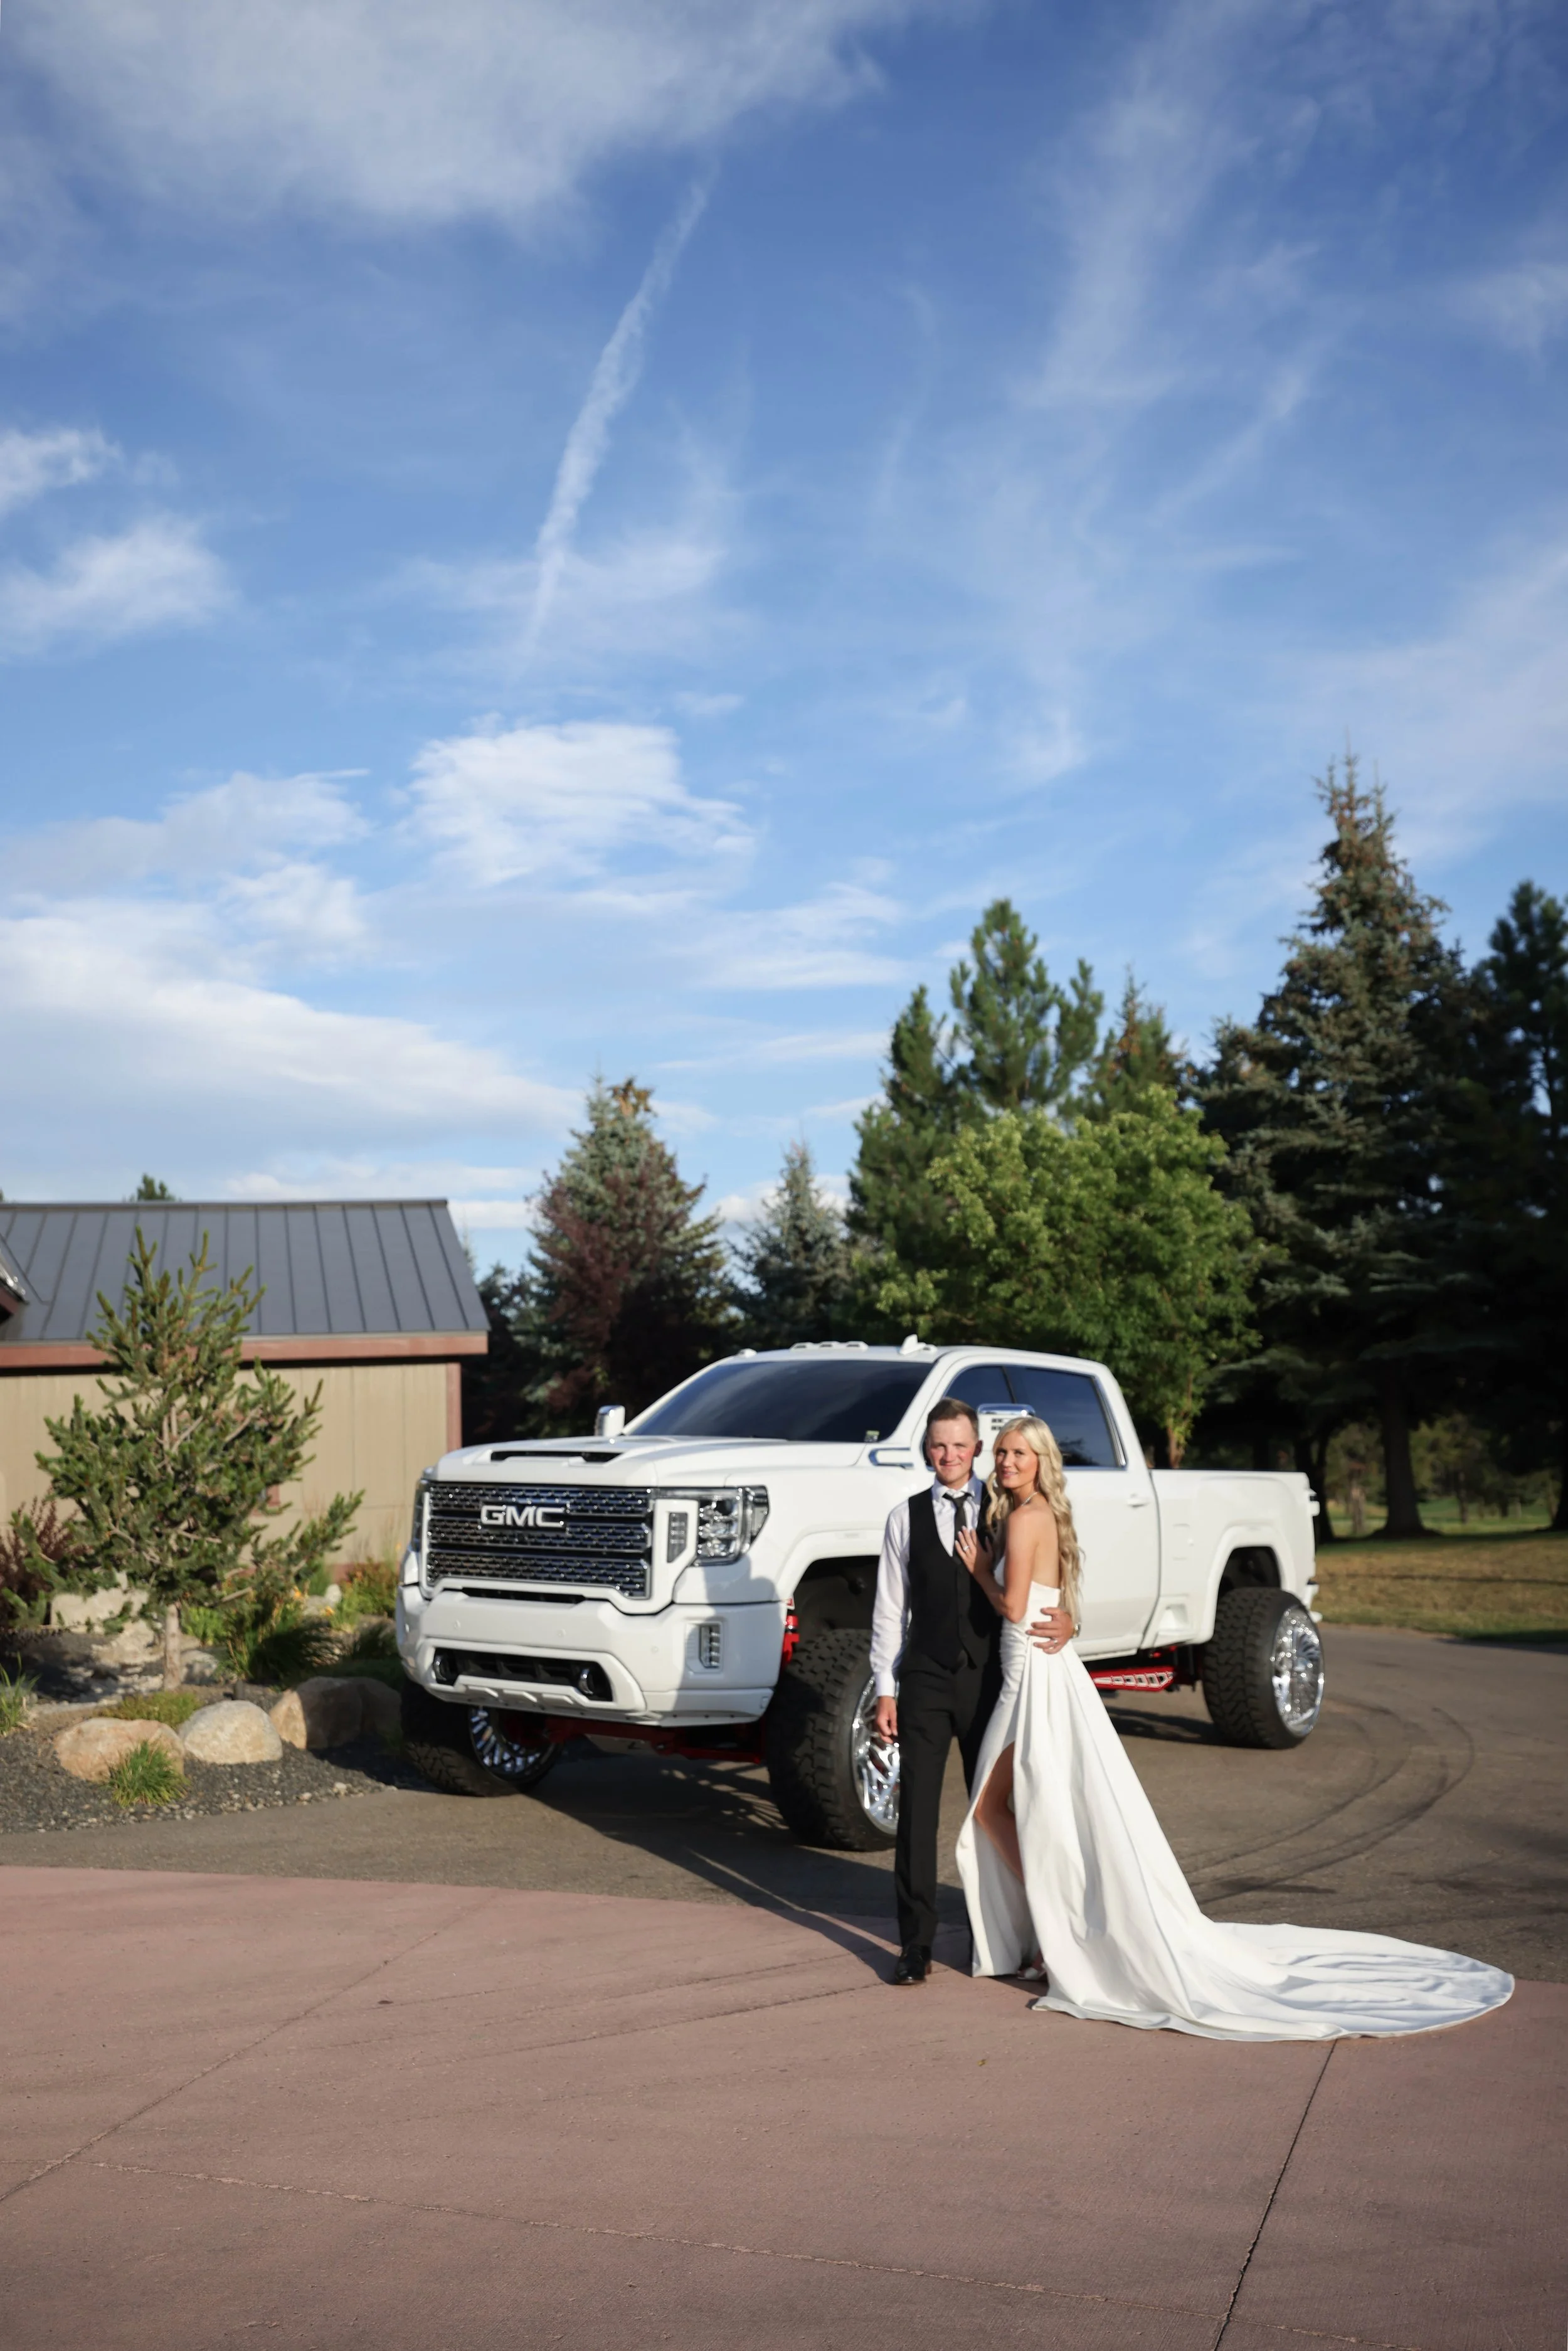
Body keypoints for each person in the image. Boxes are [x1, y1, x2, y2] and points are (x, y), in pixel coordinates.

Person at [953, 1414, 1514, 2039]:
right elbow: (1054, 1597)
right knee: (1032, 1806)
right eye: (1000, 1453)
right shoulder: (1031, 1512)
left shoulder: (1027, 1517)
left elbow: (1011, 1603)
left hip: (1030, 1669)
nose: (1004, 1462)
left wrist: (979, 1566)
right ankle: (1054, 1930)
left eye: (1017, 1453)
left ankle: (1058, 1932)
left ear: (1040, 1461)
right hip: (1034, 1665)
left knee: (1002, 1807)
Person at [869, 1396, 1073, 1987]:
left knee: (997, 1812)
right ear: (926, 1449)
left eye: (961, 1445)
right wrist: (886, 1689)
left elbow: (1050, 1573)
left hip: (992, 1680)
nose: (949, 1455)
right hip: (926, 1679)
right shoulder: (902, 1518)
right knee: (917, 1815)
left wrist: (1069, 1620)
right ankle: (915, 1945)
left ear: (977, 1450)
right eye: (938, 1445)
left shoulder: (1008, 1504)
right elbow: (889, 1611)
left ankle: (1004, 1935)